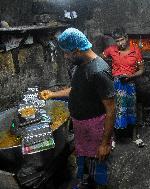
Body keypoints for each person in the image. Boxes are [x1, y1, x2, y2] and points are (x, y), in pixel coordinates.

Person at [39, 28, 115, 189]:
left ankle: (99, 185)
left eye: (67, 53)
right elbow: (76, 89)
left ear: (78, 50)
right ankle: (87, 181)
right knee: (86, 161)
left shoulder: (99, 71)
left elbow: (110, 110)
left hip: (96, 129)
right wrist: (52, 94)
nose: (66, 57)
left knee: (98, 164)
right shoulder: (81, 65)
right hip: (83, 127)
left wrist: (105, 143)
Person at [102, 27, 145, 148]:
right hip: (116, 84)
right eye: (117, 41)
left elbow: (142, 70)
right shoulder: (111, 50)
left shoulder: (136, 51)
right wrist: (109, 74)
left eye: (122, 40)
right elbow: (100, 60)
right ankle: (113, 138)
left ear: (126, 38)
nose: (120, 43)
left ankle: (134, 137)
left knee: (131, 109)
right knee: (115, 110)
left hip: (130, 84)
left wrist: (130, 76)